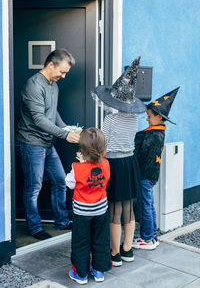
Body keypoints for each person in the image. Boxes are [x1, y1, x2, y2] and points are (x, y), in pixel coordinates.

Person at [16, 49, 81, 240]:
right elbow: (38, 119)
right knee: (33, 186)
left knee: (60, 181)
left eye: (66, 73)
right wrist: (64, 135)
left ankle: (61, 221)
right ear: (50, 64)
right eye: (62, 71)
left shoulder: (54, 85)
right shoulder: (33, 85)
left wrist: (67, 128)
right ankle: (34, 228)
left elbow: (53, 114)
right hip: (30, 144)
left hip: (47, 143)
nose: (63, 76)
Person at [93, 57, 146, 266]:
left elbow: (103, 144)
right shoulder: (134, 119)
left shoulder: (110, 119)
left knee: (114, 209)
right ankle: (128, 249)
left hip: (114, 164)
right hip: (130, 163)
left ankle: (114, 253)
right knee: (128, 208)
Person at [132, 87, 179, 250]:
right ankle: (151, 236)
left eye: (149, 116)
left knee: (146, 205)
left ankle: (146, 238)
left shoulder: (153, 134)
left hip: (146, 175)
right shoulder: (158, 132)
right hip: (151, 175)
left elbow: (142, 155)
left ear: (159, 117)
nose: (146, 118)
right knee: (149, 204)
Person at [65, 127, 111, 285]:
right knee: (101, 239)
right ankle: (99, 271)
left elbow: (69, 183)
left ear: (82, 150)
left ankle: (81, 274)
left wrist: (81, 163)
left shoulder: (77, 168)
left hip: (82, 211)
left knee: (81, 241)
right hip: (100, 209)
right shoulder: (106, 164)